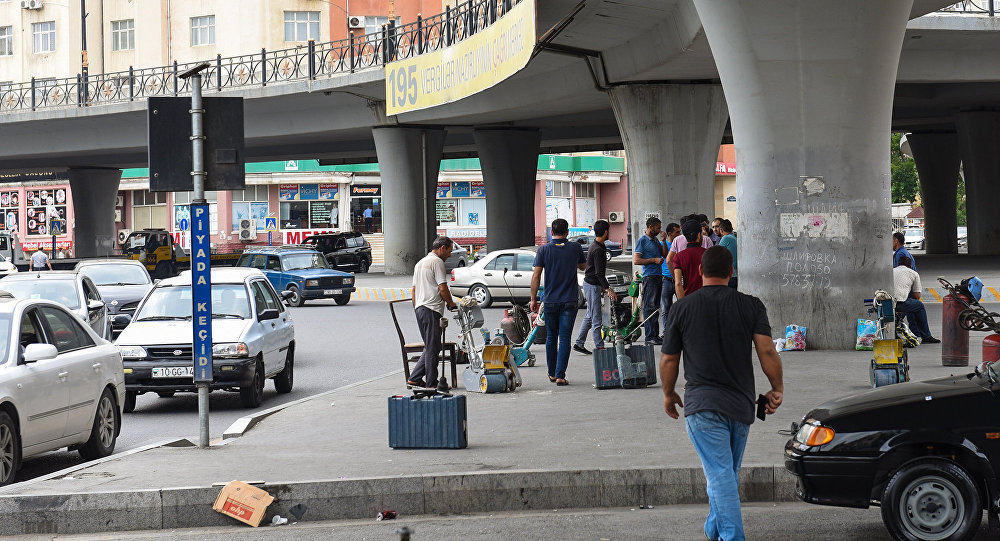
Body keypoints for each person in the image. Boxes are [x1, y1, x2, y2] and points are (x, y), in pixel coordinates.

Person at [660, 246, 784, 541]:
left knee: (721, 474)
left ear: (700, 272)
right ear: (731, 273)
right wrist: (777, 388)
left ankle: (729, 536)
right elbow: (767, 350)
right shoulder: (751, 305)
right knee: (724, 473)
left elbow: (668, 359)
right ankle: (713, 531)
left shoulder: (682, 307)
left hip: (702, 406)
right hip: (741, 406)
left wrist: (668, 392)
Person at [531, 218, 586, 386]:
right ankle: (561, 375)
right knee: (565, 338)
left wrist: (533, 298)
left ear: (552, 232)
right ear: (568, 232)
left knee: (551, 338)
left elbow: (536, 275)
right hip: (569, 300)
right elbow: (583, 267)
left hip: (550, 301)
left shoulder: (543, 250)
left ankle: (552, 373)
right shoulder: (575, 247)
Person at [408, 237, 458, 388]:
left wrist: (417, 307)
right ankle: (431, 384)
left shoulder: (420, 263)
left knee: (432, 346)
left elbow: (414, 290)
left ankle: (415, 378)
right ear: (442, 248)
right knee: (432, 348)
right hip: (431, 310)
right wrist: (451, 303)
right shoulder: (437, 262)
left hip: (420, 309)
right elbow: (443, 287)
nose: (449, 255)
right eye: (449, 251)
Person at [574, 219, 615, 354]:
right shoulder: (597, 249)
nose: (609, 232)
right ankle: (599, 346)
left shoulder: (600, 246)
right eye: (608, 230)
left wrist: (602, 287)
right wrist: (608, 288)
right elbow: (598, 273)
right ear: (605, 232)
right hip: (591, 285)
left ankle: (579, 343)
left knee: (590, 316)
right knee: (596, 317)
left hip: (593, 285)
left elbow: (599, 272)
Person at [633, 216, 667, 345]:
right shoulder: (642, 241)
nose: (659, 230)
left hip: (658, 276)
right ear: (650, 227)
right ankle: (649, 336)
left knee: (655, 307)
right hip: (650, 277)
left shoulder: (656, 241)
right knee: (649, 306)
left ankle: (655, 335)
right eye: (657, 228)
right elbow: (636, 260)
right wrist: (653, 260)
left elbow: (664, 254)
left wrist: (663, 241)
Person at [893, 255, 939, 344]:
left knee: (909, 304)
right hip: (901, 303)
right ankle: (926, 335)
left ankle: (911, 331)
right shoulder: (913, 273)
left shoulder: (891, 271)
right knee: (919, 305)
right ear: (910, 266)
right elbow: (917, 296)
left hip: (888, 302)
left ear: (898, 264)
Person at [673, 220, 708, 299]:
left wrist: (682, 304)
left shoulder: (678, 256)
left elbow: (678, 283)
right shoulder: (708, 254)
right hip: (706, 299)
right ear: (699, 235)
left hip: (688, 299)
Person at [660, 222, 682, 336]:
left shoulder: (680, 244)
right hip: (667, 280)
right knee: (666, 308)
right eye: (677, 232)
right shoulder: (663, 245)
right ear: (670, 233)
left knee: (682, 306)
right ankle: (666, 331)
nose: (679, 234)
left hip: (679, 280)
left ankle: (680, 329)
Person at [718, 219, 737, 289]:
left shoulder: (725, 238)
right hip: (736, 274)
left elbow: (716, 254)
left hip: (729, 276)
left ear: (721, 230)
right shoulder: (734, 237)